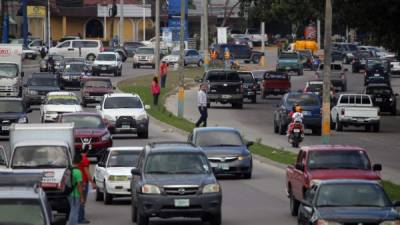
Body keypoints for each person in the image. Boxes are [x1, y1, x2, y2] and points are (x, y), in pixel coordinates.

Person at [78, 149, 96, 224]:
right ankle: (81, 218)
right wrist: (92, 182)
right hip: (84, 182)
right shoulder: (85, 160)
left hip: (77, 181)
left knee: (78, 200)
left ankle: (79, 217)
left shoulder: (77, 159)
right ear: (87, 152)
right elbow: (87, 172)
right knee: (82, 200)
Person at [68, 154, 84, 225]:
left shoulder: (69, 170)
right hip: (75, 194)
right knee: (74, 212)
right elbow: (79, 186)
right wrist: (82, 197)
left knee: (72, 210)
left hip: (68, 193)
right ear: (80, 161)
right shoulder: (78, 172)